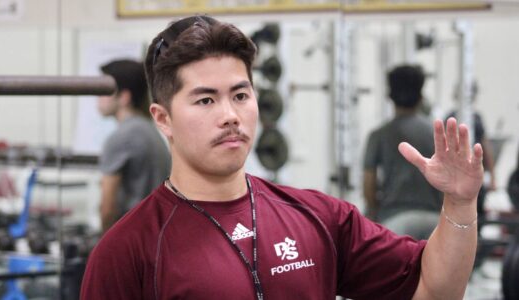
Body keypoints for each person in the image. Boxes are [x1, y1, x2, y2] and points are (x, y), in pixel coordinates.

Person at [81, 15, 484, 299]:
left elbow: (435, 289)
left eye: (240, 95)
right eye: (205, 99)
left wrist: (460, 204)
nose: (230, 115)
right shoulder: (127, 251)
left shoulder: (320, 218)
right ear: (163, 118)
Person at [363, 64, 443, 239]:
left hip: (394, 222)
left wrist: (373, 214)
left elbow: (368, 185)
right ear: (421, 96)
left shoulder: (379, 135)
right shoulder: (437, 134)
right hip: (436, 222)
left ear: (389, 96)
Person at [96, 59, 171, 232]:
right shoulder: (150, 130)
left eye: (103, 91)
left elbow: (108, 209)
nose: (97, 96)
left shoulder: (122, 137)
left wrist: (104, 246)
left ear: (124, 97)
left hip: (131, 238)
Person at [445, 81, 497, 226]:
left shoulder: (477, 119)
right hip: (454, 176)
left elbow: (485, 148)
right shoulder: (450, 118)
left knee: (476, 217)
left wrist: (492, 177)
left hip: (474, 177)